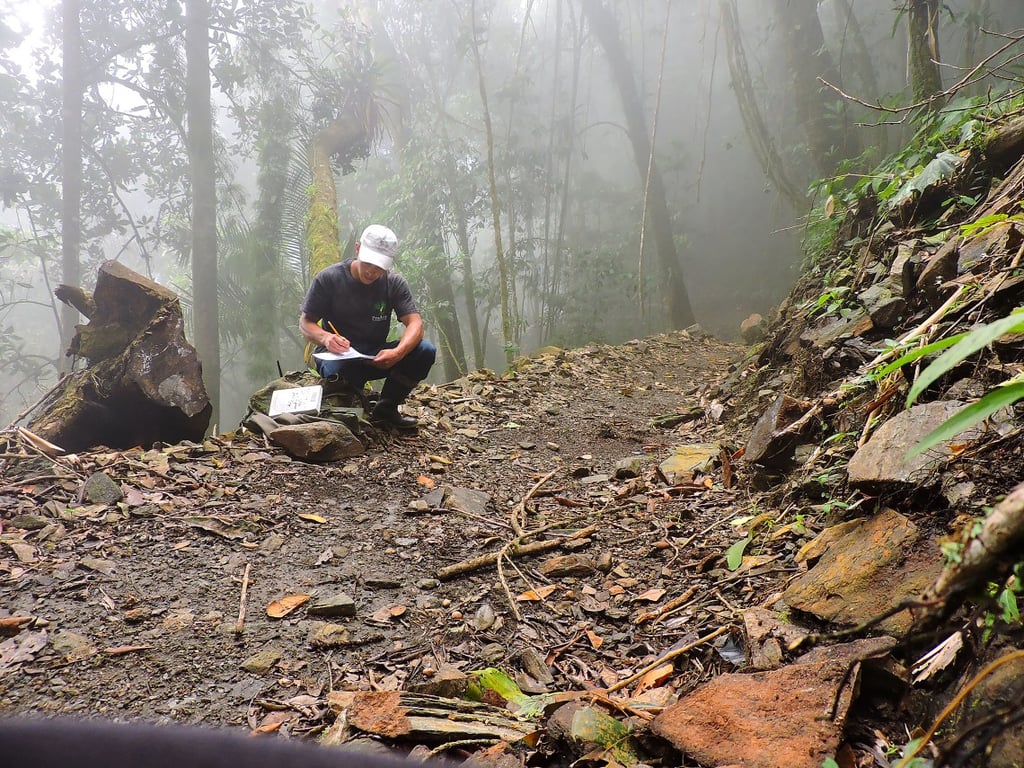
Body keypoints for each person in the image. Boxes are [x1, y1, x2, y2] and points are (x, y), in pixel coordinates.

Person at [299, 224, 436, 429]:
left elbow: (415, 322)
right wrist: (326, 338)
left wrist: (398, 353)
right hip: (338, 356)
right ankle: (348, 412)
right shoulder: (329, 279)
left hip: (376, 355)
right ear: (357, 249)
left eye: (379, 266)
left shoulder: (394, 282)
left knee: (425, 351)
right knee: (337, 373)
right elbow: (305, 322)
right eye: (368, 262)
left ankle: (386, 408)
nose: (372, 271)